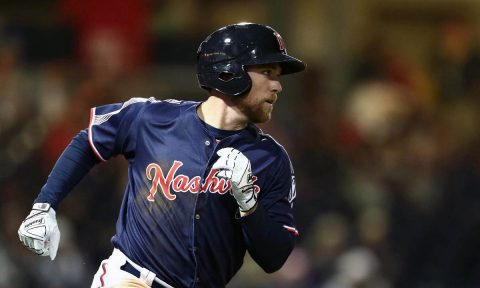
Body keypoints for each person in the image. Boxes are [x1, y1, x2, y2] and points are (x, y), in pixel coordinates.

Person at [18, 22, 306, 288]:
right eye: (267, 73)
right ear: (228, 71)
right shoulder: (154, 118)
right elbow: (87, 142)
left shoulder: (271, 158)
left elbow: (275, 258)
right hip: (133, 278)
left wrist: (249, 206)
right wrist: (44, 205)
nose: (277, 85)